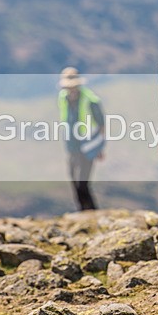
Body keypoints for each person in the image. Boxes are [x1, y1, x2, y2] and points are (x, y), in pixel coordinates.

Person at [58, 67, 105, 211]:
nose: (71, 90)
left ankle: (91, 211)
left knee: (83, 182)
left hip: (88, 146)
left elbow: (101, 125)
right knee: (73, 179)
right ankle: (83, 210)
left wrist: (99, 148)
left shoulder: (91, 101)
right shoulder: (62, 97)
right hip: (72, 146)